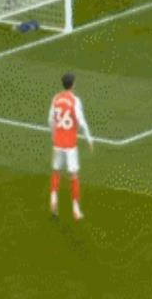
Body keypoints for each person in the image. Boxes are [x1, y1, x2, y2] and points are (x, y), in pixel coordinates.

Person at [48, 73, 93, 221]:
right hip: (70, 145)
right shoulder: (75, 100)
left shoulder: (56, 98)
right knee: (73, 175)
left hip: (58, 143)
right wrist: (89, 138)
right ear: (73, 84)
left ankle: (53, 198)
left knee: (56, 171)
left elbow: (51, 120)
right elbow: (81, 121)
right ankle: (75, 209)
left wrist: (54, 136)